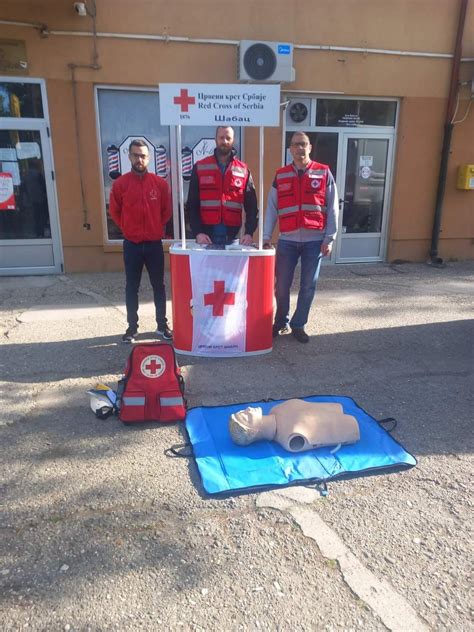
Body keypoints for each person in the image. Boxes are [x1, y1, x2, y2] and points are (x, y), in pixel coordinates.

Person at [263, 132, 339, 343]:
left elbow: (333, 207)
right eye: (296, 145)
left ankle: (299, 324)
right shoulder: (281, 175)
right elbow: (271, 208)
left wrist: (329, 238)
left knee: (308, 285)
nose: (300, 148)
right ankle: (280, 321)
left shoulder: (323, 173)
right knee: (281, 285)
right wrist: (267, 236)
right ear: (290, 149)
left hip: (315, 241)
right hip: (287, 240)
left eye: (303, 144)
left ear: (310, 147)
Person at [109, 139, 172, 343]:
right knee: (131, 287)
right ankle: (132, 328)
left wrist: (155, 227)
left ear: (149, 158)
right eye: (136, 155)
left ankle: (162, 326)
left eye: (143, 155)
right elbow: (115, 212)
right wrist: (127, 228)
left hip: (154, 244)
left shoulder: (160, 184)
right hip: (132, 245)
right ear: (129, 156)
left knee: (159, 286)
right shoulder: (120, 184)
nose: (139, 159)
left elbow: (166, 212)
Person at [187, 126, 258, 246]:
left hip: (233, 238)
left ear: (233, 140)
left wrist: (249, 233)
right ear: (215, 139)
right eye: (221, 137)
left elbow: (252, 207)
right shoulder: (200, 167)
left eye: (228, 138)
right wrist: (198, 232)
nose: (224, 141)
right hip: (206, 238)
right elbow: (192, 204)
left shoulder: (243, 170)